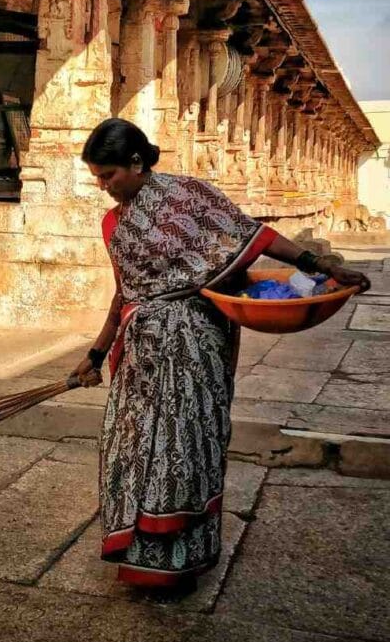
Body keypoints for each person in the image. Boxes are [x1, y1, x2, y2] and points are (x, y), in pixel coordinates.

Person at [73, 118, 370, 597]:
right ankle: (139, 558)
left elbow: (254, 236)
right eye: (97, 178)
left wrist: (318, 264)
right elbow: (124, 292)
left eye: (108, 175)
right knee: (130, 448)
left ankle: (181, 562)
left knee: (186, 447)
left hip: (195, 347)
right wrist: (97, 350)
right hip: (141, 355)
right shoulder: (114, 223)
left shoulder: (190, 198)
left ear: (136, 162)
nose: (103, 186)